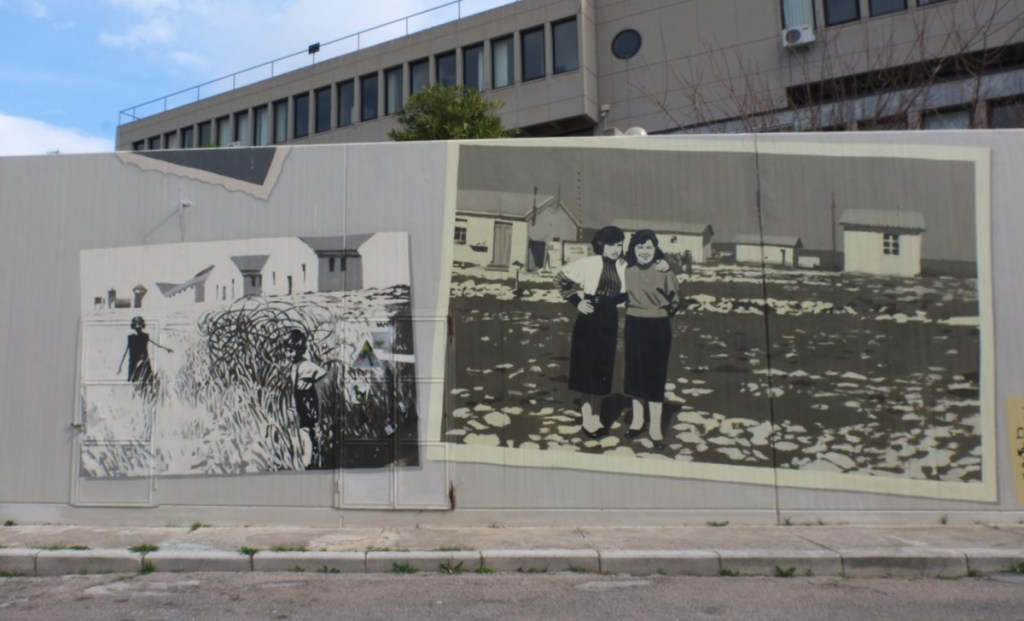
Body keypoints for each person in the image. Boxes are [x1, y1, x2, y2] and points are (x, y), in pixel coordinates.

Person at [556, 226, 628, 438]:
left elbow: (632, 287)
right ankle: (588, 416)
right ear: (601, 245)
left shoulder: (624, 265)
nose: (615, 249)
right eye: (610, 245)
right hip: (589, 318)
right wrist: (577, 302)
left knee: (602, 367)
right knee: (586, 367)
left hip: (610, 319)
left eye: (618, 244)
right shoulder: (589, 263)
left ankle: (596, 413)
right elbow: (560, 279)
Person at [622, 230, 679, 450]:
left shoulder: (664, 271)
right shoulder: (626, 270)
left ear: (655, 249)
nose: (644, 252)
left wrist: (658, 314)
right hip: (634, 324)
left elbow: (674, 301)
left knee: (655, 374)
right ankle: (637, 421)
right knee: (634, 374)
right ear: (633, 250)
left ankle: (655, 427)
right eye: (639, 247)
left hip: (658, 326)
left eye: (648, 247)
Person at [284, 330, 328, 469]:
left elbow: (323, 373)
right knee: (303, 430)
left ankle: (308, 462)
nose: (290, 354)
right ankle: (308, 460)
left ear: (301, 350)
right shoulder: (294, 365)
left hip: (307, 401)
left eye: (293, 351)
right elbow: (292, 386)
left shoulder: (306, 365)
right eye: (288, 351)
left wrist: (311, 383)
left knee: (307, 430)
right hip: (299, 401)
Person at [117, 316, 172, 384]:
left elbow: (155, 343)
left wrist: (166, 348)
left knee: (149, 380)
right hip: (133, 362)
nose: (138, 326)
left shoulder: (145, 336)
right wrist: (120, 367)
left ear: (142, 325)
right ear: (134, 325)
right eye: (137, 324)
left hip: (144, 361)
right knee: (133, 381)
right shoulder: (130, 337)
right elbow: (125, 352)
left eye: (140, 323)